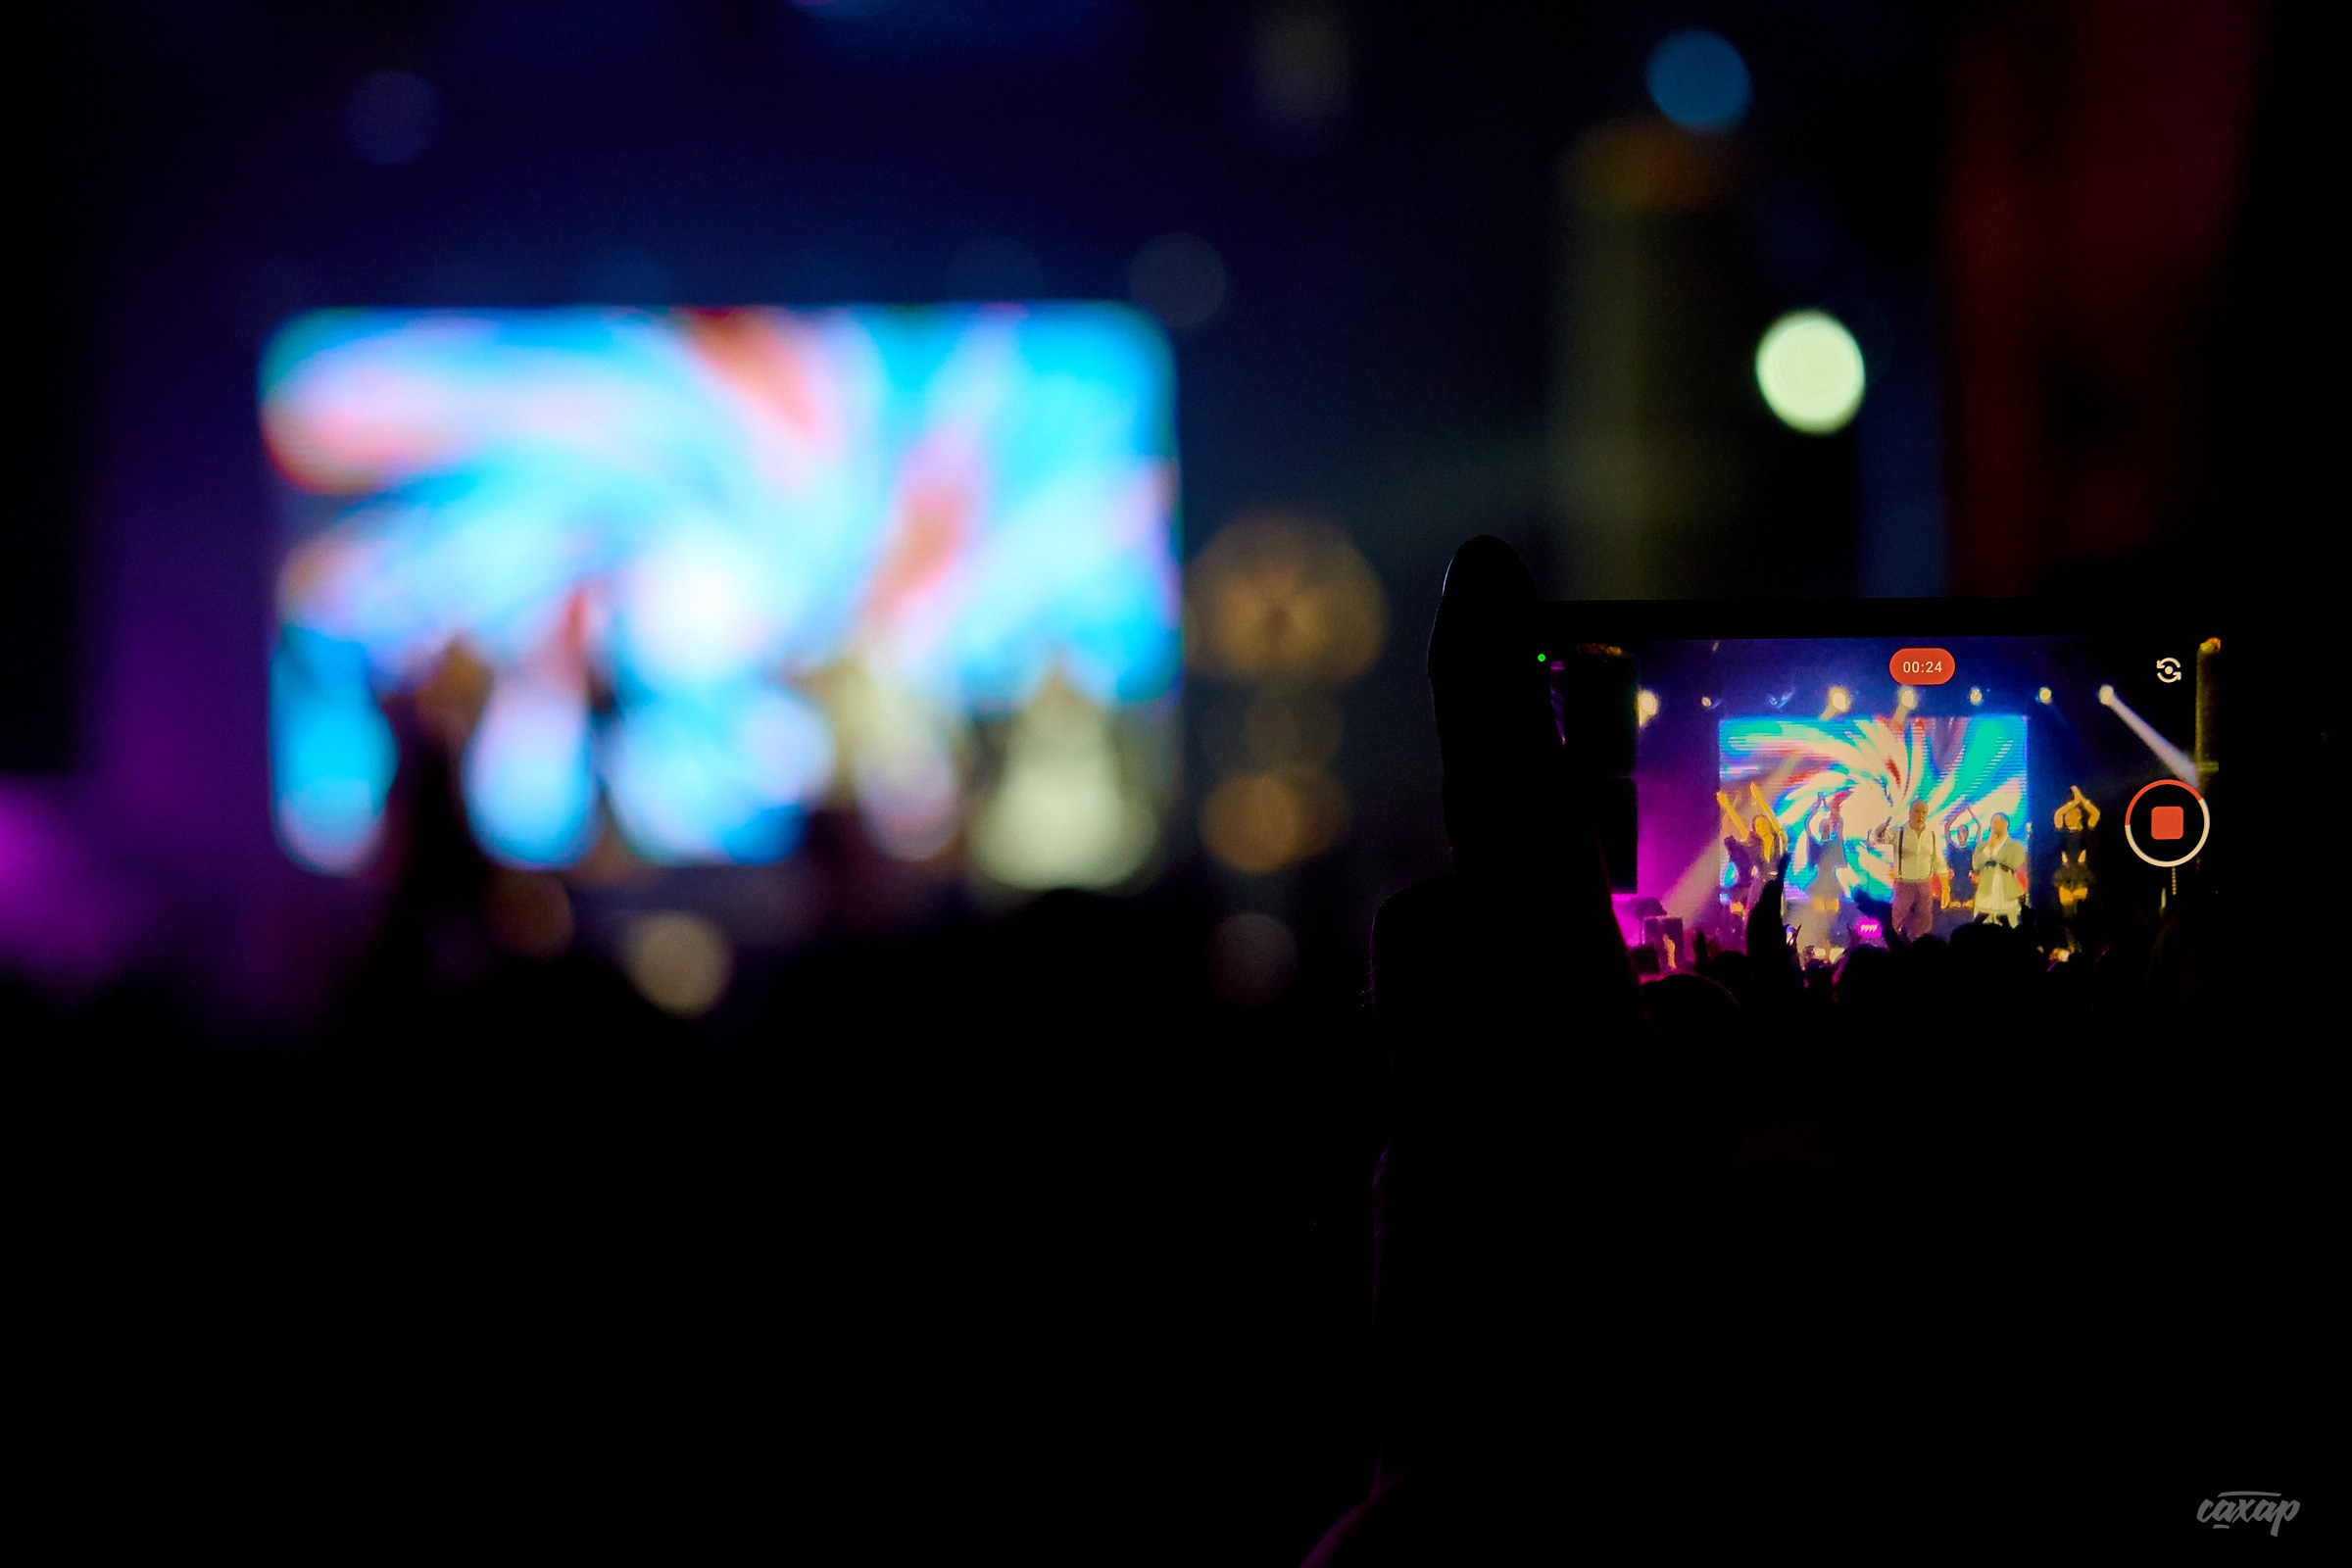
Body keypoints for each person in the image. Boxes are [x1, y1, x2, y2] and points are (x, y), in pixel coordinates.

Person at [1870, 800, 1946, 942]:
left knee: (1924, 919)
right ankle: (1896, 945)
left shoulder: (1931, 835)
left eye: (1924, 812)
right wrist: (1881, 830)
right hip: (1904, 884)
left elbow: (1938, 861)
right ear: (1910, 812)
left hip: (1924, 884)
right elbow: (1880, 838)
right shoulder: (1898, 832)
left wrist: (1945, 887)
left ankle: (1919, 945)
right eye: (1917, 811)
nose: (1920, 815)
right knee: (1899, 918)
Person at [2052, 786, 2099, 952]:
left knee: (2081, 910)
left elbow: (2095, 814)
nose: (2066, 817)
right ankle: (2071, 946)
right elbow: (2057, 815)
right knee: (2067, 912)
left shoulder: (2086, 829)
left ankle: (2083, 945)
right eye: (2066, 815)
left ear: (2078, 815)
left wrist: (2081, 799)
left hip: (2080, 874)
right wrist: (2072, 803)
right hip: (2064, 874)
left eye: (2070, 814)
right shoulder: (2062, 831)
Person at [1970, 811, 2029, 927]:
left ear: (2005, 824)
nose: (1993, 825)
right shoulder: (1983, 845)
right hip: (1985, 895)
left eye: (1997, 821)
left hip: (2006, 896)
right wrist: (1988, 848)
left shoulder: (2016, 845)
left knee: (2009, 930)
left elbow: (2013, 863)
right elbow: (1975, 865)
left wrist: (1995, 850)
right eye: (1992, 821)